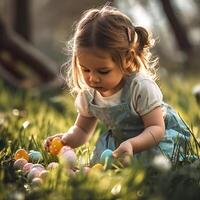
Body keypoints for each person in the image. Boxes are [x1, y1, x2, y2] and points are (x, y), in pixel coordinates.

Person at [44, 5, 191, 166]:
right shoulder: (89, 95)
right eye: (85, 69)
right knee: (103, 165)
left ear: (127, 59)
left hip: (152, 140)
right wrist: (65, 140)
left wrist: (132, 144)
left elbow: (156, 128)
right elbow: (82, 130)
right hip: (121, 144)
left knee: (153, 164)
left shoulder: (140, 88)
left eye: (103, 71)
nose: (92, 78)